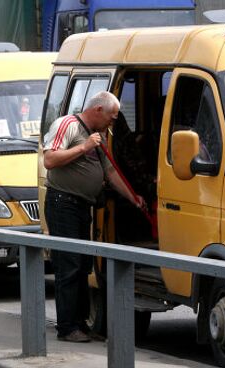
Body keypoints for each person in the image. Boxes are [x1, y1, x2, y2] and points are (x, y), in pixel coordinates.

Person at [43, 91, 145, 343]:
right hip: (62, 203)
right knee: (69, 265)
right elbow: (49, 159)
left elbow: (110, 172)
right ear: (98, 110)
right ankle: (67, 328)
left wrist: (134, 199)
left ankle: (80, 324)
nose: (113, 123)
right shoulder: (67, 125)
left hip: (81, 206)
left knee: (82, 266)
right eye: (111, 118)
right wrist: (84, 147)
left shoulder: (99, 136)